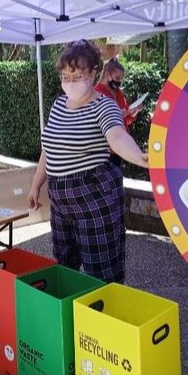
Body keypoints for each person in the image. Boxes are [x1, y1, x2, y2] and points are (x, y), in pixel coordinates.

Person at [28, 39, 148, 284]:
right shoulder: (59, 105)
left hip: (94, 194)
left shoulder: (105, 107)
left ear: (94, 72)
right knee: (65, 265)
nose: (70, 83)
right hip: (60, 199)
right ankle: (71, 316)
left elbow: (116, 137)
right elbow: (49, 148)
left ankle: (103, 319)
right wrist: (35, 185)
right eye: (65, 77)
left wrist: (140, 158)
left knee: (101, 270)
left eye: (77, 76)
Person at [94, 57, 143, 165]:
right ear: (107, 75)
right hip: (104, 149)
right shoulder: (97, 93)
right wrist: (115, 113)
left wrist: (134, 111)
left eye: (121, 78)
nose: (119, 81)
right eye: (117, 77)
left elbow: (126, 121)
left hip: (119, 148)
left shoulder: (119, 93)